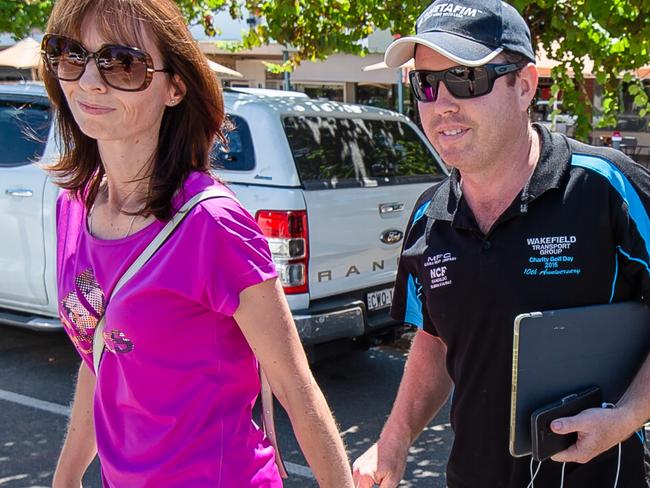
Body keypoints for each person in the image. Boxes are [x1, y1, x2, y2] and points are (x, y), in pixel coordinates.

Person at [40, 0, 354, 486]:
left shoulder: (213, 224)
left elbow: (295, 387)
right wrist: (65, 478)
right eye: (70, 55)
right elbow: (102, 355)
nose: (89, 82)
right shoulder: (74, 207)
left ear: (176, 87)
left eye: (122, 63)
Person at [353, 1, 650, 487]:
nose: (442, 103)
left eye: (466, 80)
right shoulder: (430, 217)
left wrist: (628, 416)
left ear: (525, 86)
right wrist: (395, 437)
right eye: (426, 85)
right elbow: (434, 336)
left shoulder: (607, 187)